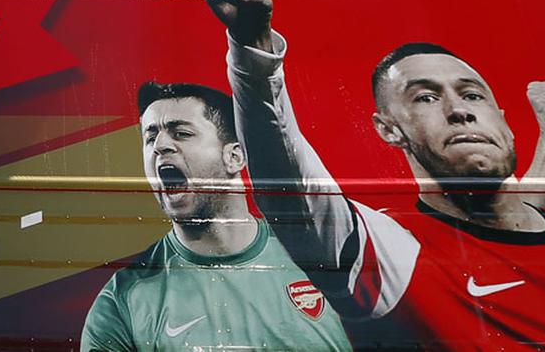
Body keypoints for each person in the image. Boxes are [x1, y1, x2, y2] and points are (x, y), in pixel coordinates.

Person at [201, 0, 545, 347]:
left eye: (472, 95)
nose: (459, 111)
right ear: (389, 130)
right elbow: (292, 187)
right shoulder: (396, 252)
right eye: (425, 97)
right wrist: (255, 60)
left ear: (503, 119)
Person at [81, 82, 351, 351]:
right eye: (150, 137)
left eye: (181, 133)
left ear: (235, 157)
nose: (160, 145)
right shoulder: (122, 301)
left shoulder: (323, 257)